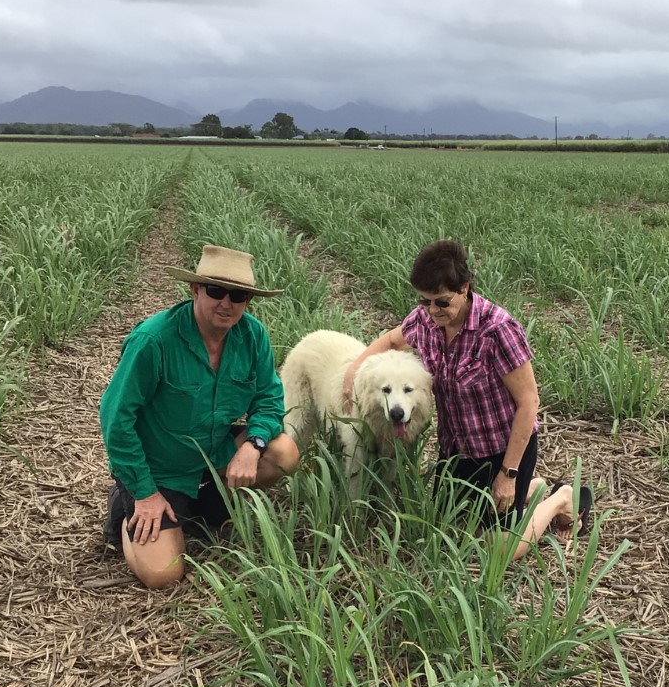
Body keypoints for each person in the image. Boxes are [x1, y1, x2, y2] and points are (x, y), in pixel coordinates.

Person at [342, 240, 590, 561]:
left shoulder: (497, 330)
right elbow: (391, 338)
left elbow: (529, 403)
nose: (432, 311)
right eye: (425, 301)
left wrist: (508, 475)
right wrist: (353, 371)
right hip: (458, 451)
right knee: (452, 531)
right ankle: (532, 487)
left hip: (503, 451)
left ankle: (560, 498)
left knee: (499, 549)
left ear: (465, 288)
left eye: (442, 302)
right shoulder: (425, 320)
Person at [99, 244, 299, 589]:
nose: (227, 303)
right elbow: (115, 419)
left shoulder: (253, 336)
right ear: (195, 289)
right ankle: (127, 506)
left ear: (248, 301)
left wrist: (253, 444)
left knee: (283, 453)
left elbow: (269, 399)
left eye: (238, 295)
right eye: (216, 291)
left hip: (213, 449)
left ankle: (200, 509)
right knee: (163, 575)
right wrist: (145, 493)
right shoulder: (154, 340)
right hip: (159, 467)